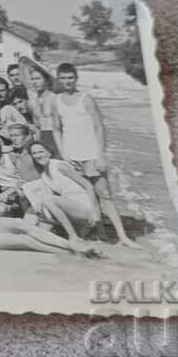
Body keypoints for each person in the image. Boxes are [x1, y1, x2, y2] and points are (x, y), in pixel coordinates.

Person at [52, 63, 141, 248]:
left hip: (91, 154)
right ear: (58, 79)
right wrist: (64, 154)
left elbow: (99, 128)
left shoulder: (86, 99)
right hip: (72, 156)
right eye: (63, 78)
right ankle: (99, 232)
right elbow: (56, 129)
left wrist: (100, 156)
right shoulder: (56, 101)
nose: (67, 81)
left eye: (70, 78)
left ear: (76, 78)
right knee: (85, 194)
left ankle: (123, 237)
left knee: (104, 194)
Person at [23, 61, 59, 156]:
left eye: (38, 79)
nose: (34, 82)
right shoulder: (31, 103)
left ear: (47, 81)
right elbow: (37, 127)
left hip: (57, 139)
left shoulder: (55, 99)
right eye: (32, 79)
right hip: (43, 140)